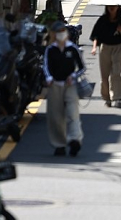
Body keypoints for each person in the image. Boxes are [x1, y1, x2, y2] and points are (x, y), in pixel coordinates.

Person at [43, 21, 85, 156]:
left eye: (63, 31)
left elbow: (82, 67)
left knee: (73, 113)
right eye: (58, 32)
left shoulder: (72, 48)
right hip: (55, 85)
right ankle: (59, 145)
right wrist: (49, 78)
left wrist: (73, 75)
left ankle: (75, 141)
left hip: (70, 85)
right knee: (56, 116)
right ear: (53, 35)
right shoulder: (50, 49)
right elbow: (46, 66)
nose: (61, 34)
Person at [90, 4, 121, 108]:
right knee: (104, 75)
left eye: (114, 6)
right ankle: (107, 99)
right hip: (105, 48)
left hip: (117, 48)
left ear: (118, 8)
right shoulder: (102, 20)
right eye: (109, 6)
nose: (112, 8)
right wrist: (94, 47)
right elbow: (95, 35)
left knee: (116, 73)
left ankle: (117, 98)